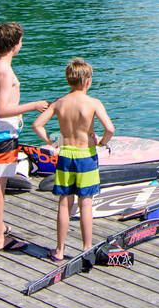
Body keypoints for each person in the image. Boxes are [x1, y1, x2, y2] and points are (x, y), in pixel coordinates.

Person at [32, 57, 115, 262]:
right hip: (86, 156)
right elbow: (110, 129)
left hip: (65, 155)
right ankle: (86, 247)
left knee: (64, 203)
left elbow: (37, 125)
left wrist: (52, 142)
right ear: (88, 81)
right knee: (85, 202)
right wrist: (102, 143)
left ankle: (59, 249)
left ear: (69, 80)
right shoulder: (93, 103)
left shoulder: (60, 103)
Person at [0, 22, 48, 252]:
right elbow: (1, 109)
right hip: (2, 132)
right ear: (16, 45)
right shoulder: (5, 72)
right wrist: (33, 105)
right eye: (21, 41)